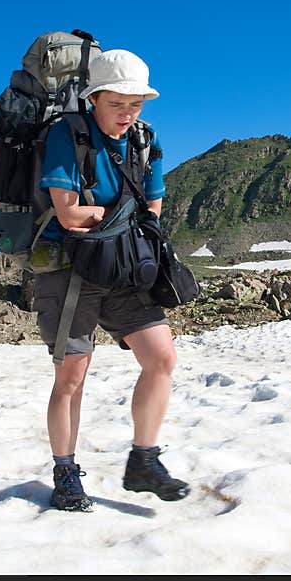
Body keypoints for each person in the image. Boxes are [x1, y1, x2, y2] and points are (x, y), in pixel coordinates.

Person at [35, 49, 190, 511]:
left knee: (162, 357)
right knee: (72, 377)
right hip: (70, 272)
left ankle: (144, 460)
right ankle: (65, 471)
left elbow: (155, 206)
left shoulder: (145, 139)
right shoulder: (67, 135)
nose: (127, 114)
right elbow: (68, 214)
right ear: (94, 98)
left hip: (123, 269)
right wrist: (113, 215)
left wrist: (105, 217)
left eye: (136, 104)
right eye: (117, 103)